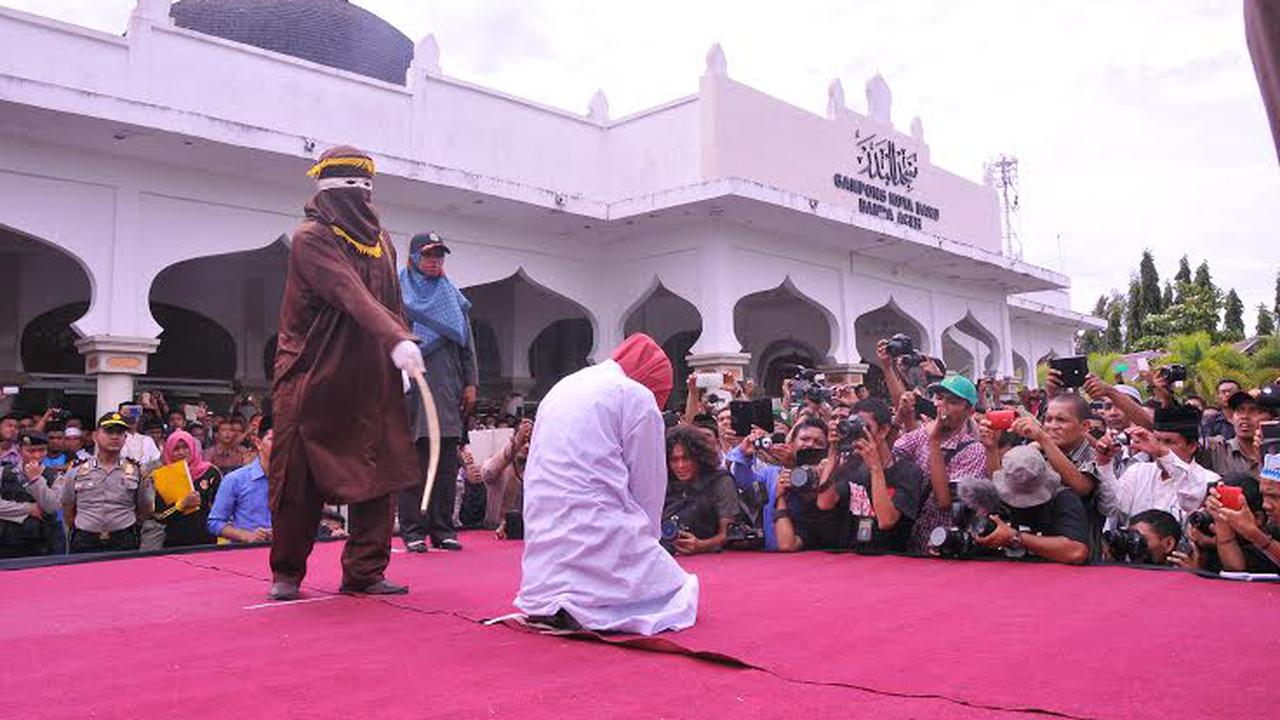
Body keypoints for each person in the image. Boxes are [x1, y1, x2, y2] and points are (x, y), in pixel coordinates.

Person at [268, 146, 423, 600]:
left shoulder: (383, 240)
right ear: (328, 191)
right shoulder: (311, 237)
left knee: (382, 468)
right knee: (297, 476)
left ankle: (364, 571)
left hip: (371, 373)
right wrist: (397, 338)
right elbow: (347, 291)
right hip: (310, 374)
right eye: (351, 189)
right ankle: (287, 573)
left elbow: (391, 300)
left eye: (367, 190)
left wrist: (403, 348)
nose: (362, 200)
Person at [515, 333, 698, 635]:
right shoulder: (635, 394)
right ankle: (594, 604)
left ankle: (559, 601)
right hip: (599, 541)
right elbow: (648, 487)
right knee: (681, 589)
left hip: (540, 561)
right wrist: (648, 547)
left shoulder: (562, 387)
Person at [397, 231, 478, 553]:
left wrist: (471, 383)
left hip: (447, 388)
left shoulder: (453, 297)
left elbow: (467, 346)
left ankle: (443, 529)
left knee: (446, 463)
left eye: (439, 256)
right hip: (411, 390)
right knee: (413, 462)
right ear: (414, 258)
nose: (434, 262)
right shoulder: (397, 293)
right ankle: (413, 529)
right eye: (428, 255)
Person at [894, 375, 988, 551]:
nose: (942, 406)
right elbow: (889, 459)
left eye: (952, 402)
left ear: (969, 411)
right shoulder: (921, 434)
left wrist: (935, 443)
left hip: (944, 546)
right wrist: (899, 418)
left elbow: (944, 501)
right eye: (939, 399)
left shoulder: (974, 451)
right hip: (911, 543)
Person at [968, 445, 1090, 565]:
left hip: (1052, 579)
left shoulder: (1062, 498)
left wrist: (1015, 537)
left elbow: (1077, 552)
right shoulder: (995, 497)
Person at [1096, 406, 1215, 527]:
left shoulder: (1209, 481)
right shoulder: (1137, 472)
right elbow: (1111, 508)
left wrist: (1162, 453)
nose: (1158, 446)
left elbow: (1192, 499)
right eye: (1157, 440)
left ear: (1192, 446)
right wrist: (1104, 463)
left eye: (1168, 442)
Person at [841, 397, 925, 552]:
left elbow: (887, 521)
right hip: (852, 556)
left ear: (883, 430)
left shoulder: (908, 472)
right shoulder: (850, 467)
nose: (860, 434)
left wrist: (875, 468)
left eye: (866, 427)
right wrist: (833, 453)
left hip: (892, 559)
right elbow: (824, 504)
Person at [60, 412, 152, 553]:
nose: (114, 437)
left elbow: (144, 507)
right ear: (95, 436)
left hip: (123, 538)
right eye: (109, 431)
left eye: (120, 433)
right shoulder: (77, 469)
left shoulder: (136, 470)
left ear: (125, 437)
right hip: (85, 538)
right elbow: (68, 506)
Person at [662, 425, 738, 555]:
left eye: (686, 458)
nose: (680, 466)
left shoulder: (721, 482)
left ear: (699, 457)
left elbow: (727, 534)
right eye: (674, 460)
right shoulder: (664, 483)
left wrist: (701, 545)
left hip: (710, 559)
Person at [0, 431, 66, 558]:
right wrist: (28, 509)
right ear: (20, 450)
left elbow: (52, 507)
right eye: (31, 451)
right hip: (7, 541)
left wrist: (36, 480)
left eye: (41, 450)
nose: (36, 456)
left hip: (43, 542)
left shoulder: (55, 476)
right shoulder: (4, 473)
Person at [152, 429, 221, 548]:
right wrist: (182, 504)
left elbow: (220, 509)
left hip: (206, 542)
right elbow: (160, 516)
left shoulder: (210, 473)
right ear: (168, 451)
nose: (181, 452)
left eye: (185, 447)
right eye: (176, 449)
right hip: (175, 543)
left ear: (193, 448)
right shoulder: (164, 476)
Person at [208, 431, 274, 544]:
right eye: (272, 440)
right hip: (246, 553)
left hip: (287, 552)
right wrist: (246, 536)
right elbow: (215, 522)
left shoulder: (295, 480)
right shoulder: (235, 480)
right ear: (258, 443)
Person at [1203, 389, 1278, 476]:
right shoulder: (1218, 450)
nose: (1244, 416)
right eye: (1239, 410)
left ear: (1272, 419)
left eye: (1253, 411)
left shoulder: (1276, 455)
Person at [481, 418, 531, 536]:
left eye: (530, 441)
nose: (527, 446)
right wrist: (517, 441)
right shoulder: (498, 465)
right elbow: (489, 471)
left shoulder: (538, 470)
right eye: (524, 441)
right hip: (492, 531)